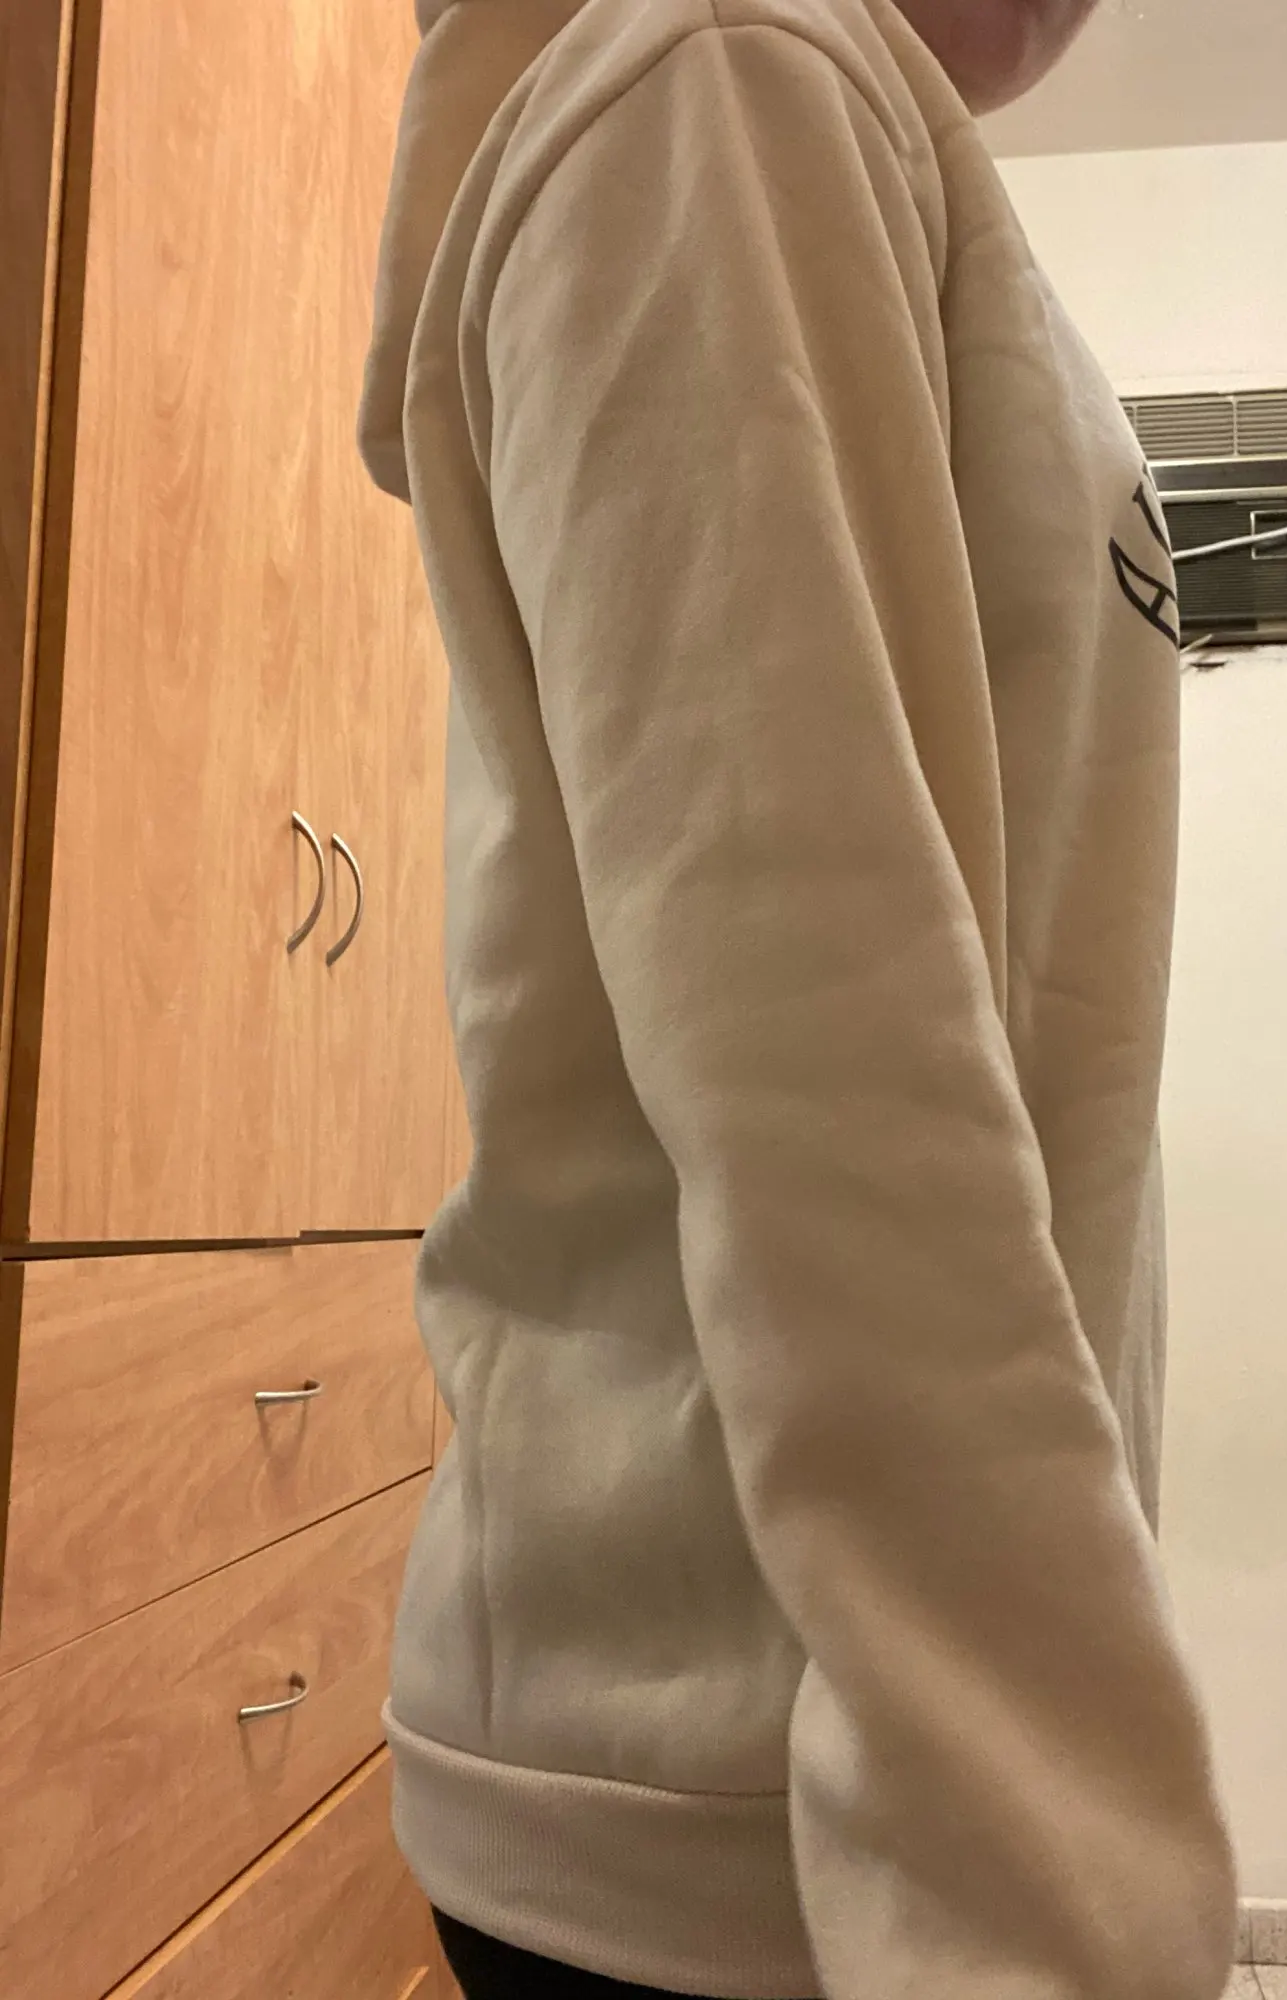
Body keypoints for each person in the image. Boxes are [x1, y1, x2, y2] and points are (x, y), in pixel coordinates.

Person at [359, 0, 1237, 1994]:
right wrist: (1031, 1889)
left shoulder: (782, 97)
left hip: (797, 1747)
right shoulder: (729, 73)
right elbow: (833, 1082)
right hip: (761, 1796)